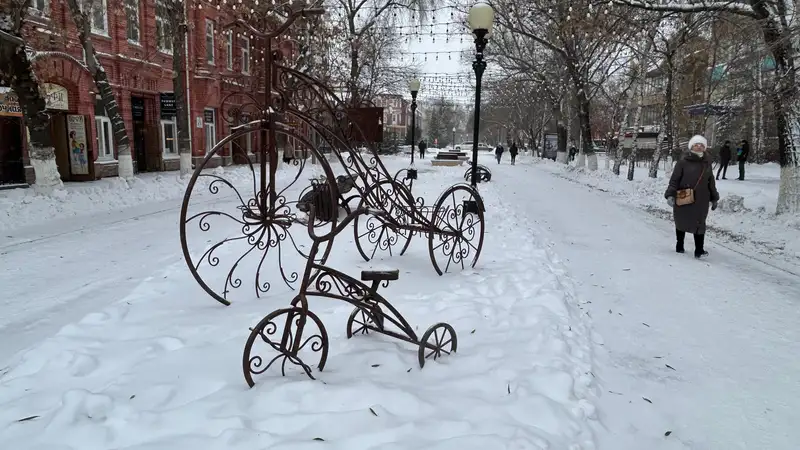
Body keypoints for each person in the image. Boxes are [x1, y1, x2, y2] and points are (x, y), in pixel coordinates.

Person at [665, 135, 719, 258]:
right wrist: (670, 195)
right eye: (696, 144)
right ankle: (680, 245)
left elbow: (711, 182)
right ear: (691, 146)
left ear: (704, 147)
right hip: (684, 196)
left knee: (700, 223)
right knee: (681, 221)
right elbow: (674, 180)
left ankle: (699, 250)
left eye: (701, 145)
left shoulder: (707, 163)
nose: (699, 147)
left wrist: (714, 197)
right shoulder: (683, 162)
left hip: (701, 200)